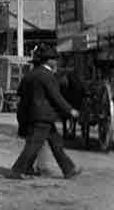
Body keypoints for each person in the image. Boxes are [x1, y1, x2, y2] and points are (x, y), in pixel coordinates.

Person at [9, 45, 81, 180]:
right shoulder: (47, 76)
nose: (56, 62)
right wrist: (70, 110)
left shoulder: (30, 75)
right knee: (34, 145)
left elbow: (21, 94)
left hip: (33, 115)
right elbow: (56, 97)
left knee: (56, 143)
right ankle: (17, 170)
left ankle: (69, 169)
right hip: (43, 117)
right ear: (48, 61)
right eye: (54, 59)